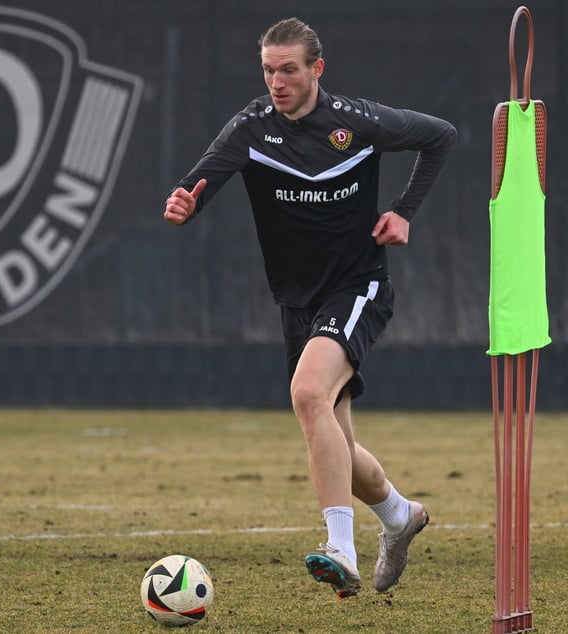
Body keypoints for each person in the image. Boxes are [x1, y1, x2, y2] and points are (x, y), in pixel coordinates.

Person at [163, 17, 456, 599]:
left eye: (289, 69)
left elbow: (440, 135)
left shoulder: (358, 122)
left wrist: (403, 210)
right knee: (338, 444)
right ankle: (399, 516)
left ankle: (339, 550)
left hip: (358, 287)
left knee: (305, 395)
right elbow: (198, 183)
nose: (277, 81)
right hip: (297, 302)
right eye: (269, 70)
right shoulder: (250, 128)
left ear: (316, 69)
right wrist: (183, 202)